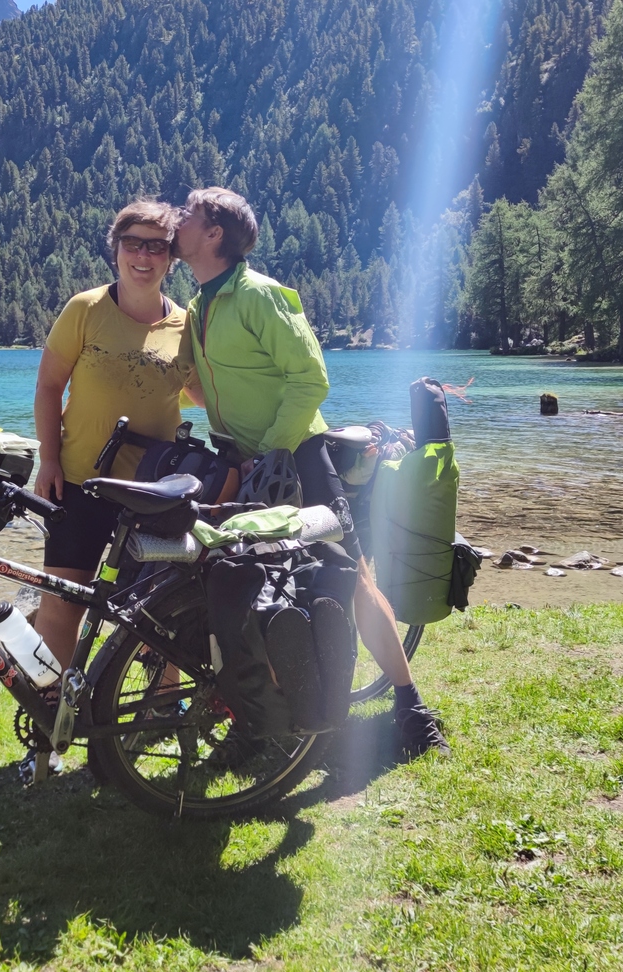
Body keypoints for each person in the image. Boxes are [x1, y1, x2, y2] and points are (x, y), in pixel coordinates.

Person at [173, 186, 449, 757]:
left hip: (296, 456)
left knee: (352, 580)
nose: (177, 221)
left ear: (215, 233)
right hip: (244, 464)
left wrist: (271, 450)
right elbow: (207, 386)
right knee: (244, 588)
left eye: (188, 215)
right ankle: (259, 717)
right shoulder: (199, 306)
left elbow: (311, 379)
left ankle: (411, 708)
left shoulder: (260, 295)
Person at [31, 200, 191, 663]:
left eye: (156, 246)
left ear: (171, 257)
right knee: (63, 604)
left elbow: (205, 393)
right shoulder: (86, 308)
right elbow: (48, 387)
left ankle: (164, 699)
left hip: (153, 494)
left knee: (159, 615)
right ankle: (53, 700)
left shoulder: (186, 326)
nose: (143, 256)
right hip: (80, 481)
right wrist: (49, 459)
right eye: (132, 243)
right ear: (116, 249)